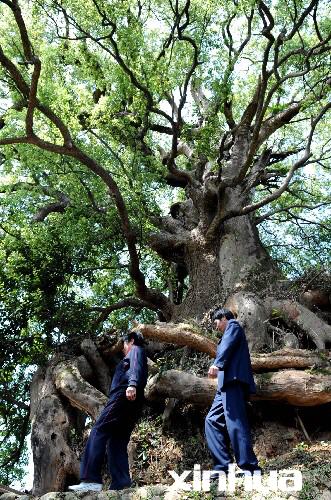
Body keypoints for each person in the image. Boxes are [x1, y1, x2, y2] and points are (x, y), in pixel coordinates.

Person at [69, 331, 148, 492]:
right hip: (132, 403)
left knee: (99, 430)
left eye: (124, 345)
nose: (123, 349)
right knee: (116, 442)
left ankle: (91, 479)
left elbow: (135, 365)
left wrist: (132, 384)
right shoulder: (137, 353)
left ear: (131, 341)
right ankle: (121, 483)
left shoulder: (136, 350)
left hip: (123, 395)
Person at [205, 308, 260, 477]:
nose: (216, 328)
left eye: (216, 323)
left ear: (223, 318)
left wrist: (218, 363)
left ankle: (250, 468)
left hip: (233, 382)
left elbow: (227, 346)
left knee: (236, 423)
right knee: (211, 421)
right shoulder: (227, 333)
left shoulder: (234, 325)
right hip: (224, 386)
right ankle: (222, 467)